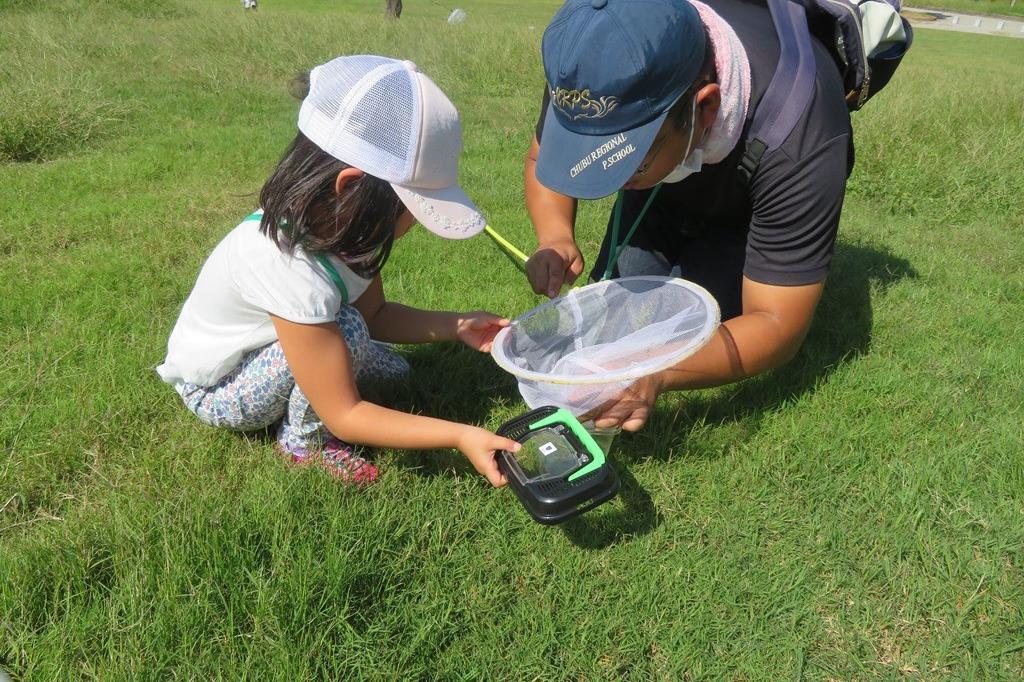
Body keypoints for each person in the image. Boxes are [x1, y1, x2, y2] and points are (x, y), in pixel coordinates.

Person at [158, 55, 520, 487]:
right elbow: (345, 413)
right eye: (411, 208)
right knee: (348, 334)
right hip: (220, 389)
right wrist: (459, 435)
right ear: (350, 188)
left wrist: (457, 325)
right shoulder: (281, 262)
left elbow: (377, 315)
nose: (413, 225)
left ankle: (315, 394)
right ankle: (303, 443)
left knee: (392, 368)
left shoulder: (348, 234)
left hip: (292, 342)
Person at [523, 0, 854, 432]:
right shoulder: (589, 74)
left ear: (707, 108)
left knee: (697, 321)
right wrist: (555, 235)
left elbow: (777, 323)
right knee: (624, 319)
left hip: (748, 196)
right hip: (671, 165)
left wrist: (656, 371)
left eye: (629, 160)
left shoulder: (802, 138)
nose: (607, 182)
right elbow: (540, 160)